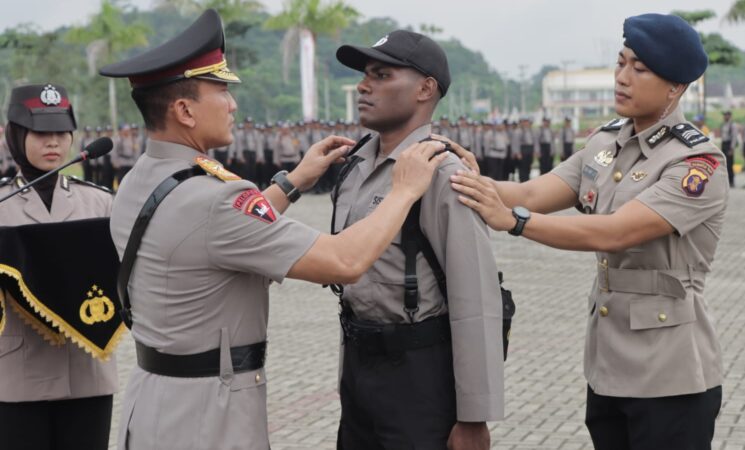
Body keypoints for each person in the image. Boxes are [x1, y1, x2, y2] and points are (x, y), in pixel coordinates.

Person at [99, 10, 447, 450]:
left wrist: (294, 180)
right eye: (221, 91)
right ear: (185, 110)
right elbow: (344, 262)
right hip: (208, 417)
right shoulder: (214, 198)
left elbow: (220, 236)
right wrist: (403, 191)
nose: (232, 104)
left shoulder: (139, 179)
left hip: (151, 400)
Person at [448, 14, 726, 450]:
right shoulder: (604, 144)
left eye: (640, 69)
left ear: (676, 86)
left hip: (671, 372)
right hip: (609, 364)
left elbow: (614, 232)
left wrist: (516, 222)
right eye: (620, 63)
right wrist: (461, 175)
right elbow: (530, 191)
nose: (622, 77)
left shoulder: (696, 164)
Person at [333, 29, 504, 450]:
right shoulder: (355, 165)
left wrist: (473, 416)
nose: (363, 85)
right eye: (365, 75)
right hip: (359, 363)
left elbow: (476, 299)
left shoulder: (443, 174)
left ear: (425, 88)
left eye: (381, 74)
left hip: (419, 372)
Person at [0, 84, 117, 450]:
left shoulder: (101, 204)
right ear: (16, 136)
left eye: (60, 133)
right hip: (18, 373)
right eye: (41, 133)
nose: (53, 142)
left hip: (88, 371)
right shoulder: (2, 206)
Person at [719, 111, 737, 187]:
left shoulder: (732, 125)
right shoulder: (723, 125)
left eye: (726, 115)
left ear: (730, 116)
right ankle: (726, 181)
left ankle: (731, 181)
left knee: (730, 164)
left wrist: (732, 148)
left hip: (729, 145)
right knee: (724, 164)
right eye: (724, 115)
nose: (725, 116)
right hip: (724, 144)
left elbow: (734, 137)